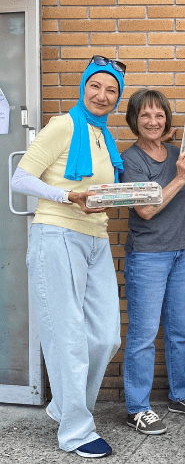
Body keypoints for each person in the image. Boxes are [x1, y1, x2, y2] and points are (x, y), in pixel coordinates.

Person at [9, 56, 126, 458]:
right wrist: (67, 195)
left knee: (107, 335)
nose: (102, 95)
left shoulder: (103, 137)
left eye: (111, 90)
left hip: (96, 238)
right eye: (95, 86)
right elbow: (20, 177)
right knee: (68, 337)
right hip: (56, 234)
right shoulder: (64, 125)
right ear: (83, 88)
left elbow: (101, 194)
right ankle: (76, 431)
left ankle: (64, 405)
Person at [120, 89, 185, 435]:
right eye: (145, 115)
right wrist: (178, 175)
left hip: (181, 253)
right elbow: (145, 210)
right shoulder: (130, 160)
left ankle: (180, 393)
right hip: (147, 256)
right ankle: (137, 408)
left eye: (159, 115)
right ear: (134, 119)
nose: (153, 122)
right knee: (144, 335)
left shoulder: (178, 152)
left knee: (179, 331)